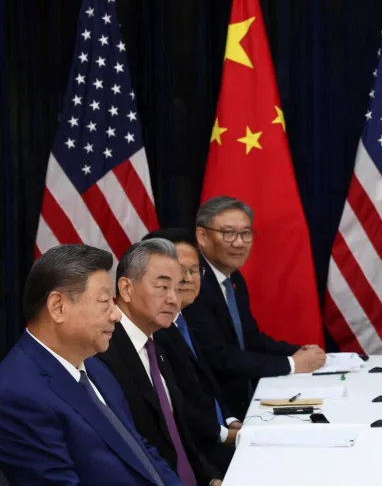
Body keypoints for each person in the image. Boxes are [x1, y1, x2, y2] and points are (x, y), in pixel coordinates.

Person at [0, 244, 181, 486]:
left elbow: (141, 450)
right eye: (105, 301)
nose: (116, 315)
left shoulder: (95, 366)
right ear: (58, 307)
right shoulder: (18, 394)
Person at [184, 196, 327, 417]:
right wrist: (291, 364)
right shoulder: (193, 284)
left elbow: (249, 338)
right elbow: (218, 356)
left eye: (245, 233)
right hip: (217, 411)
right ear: (202, 236)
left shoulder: (233, 278)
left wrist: (296, 352)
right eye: (228, 233)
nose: (239, 243)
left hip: (245, 399)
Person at [98, 239, 222, 486]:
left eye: (178, 288)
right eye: (163, 287)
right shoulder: (102, 350)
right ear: (125, 288)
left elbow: (177, 430)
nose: (173, 299)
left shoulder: (159, 342)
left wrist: (209, 479)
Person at [145, 228, 239, 475]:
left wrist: (230, 420)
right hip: (200, 456)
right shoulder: (155, 330)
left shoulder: (184, 318)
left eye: (194, 270)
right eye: (178, 272)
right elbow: (179, 412)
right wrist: (225, 434)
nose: (187, 279)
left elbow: (207, 387)